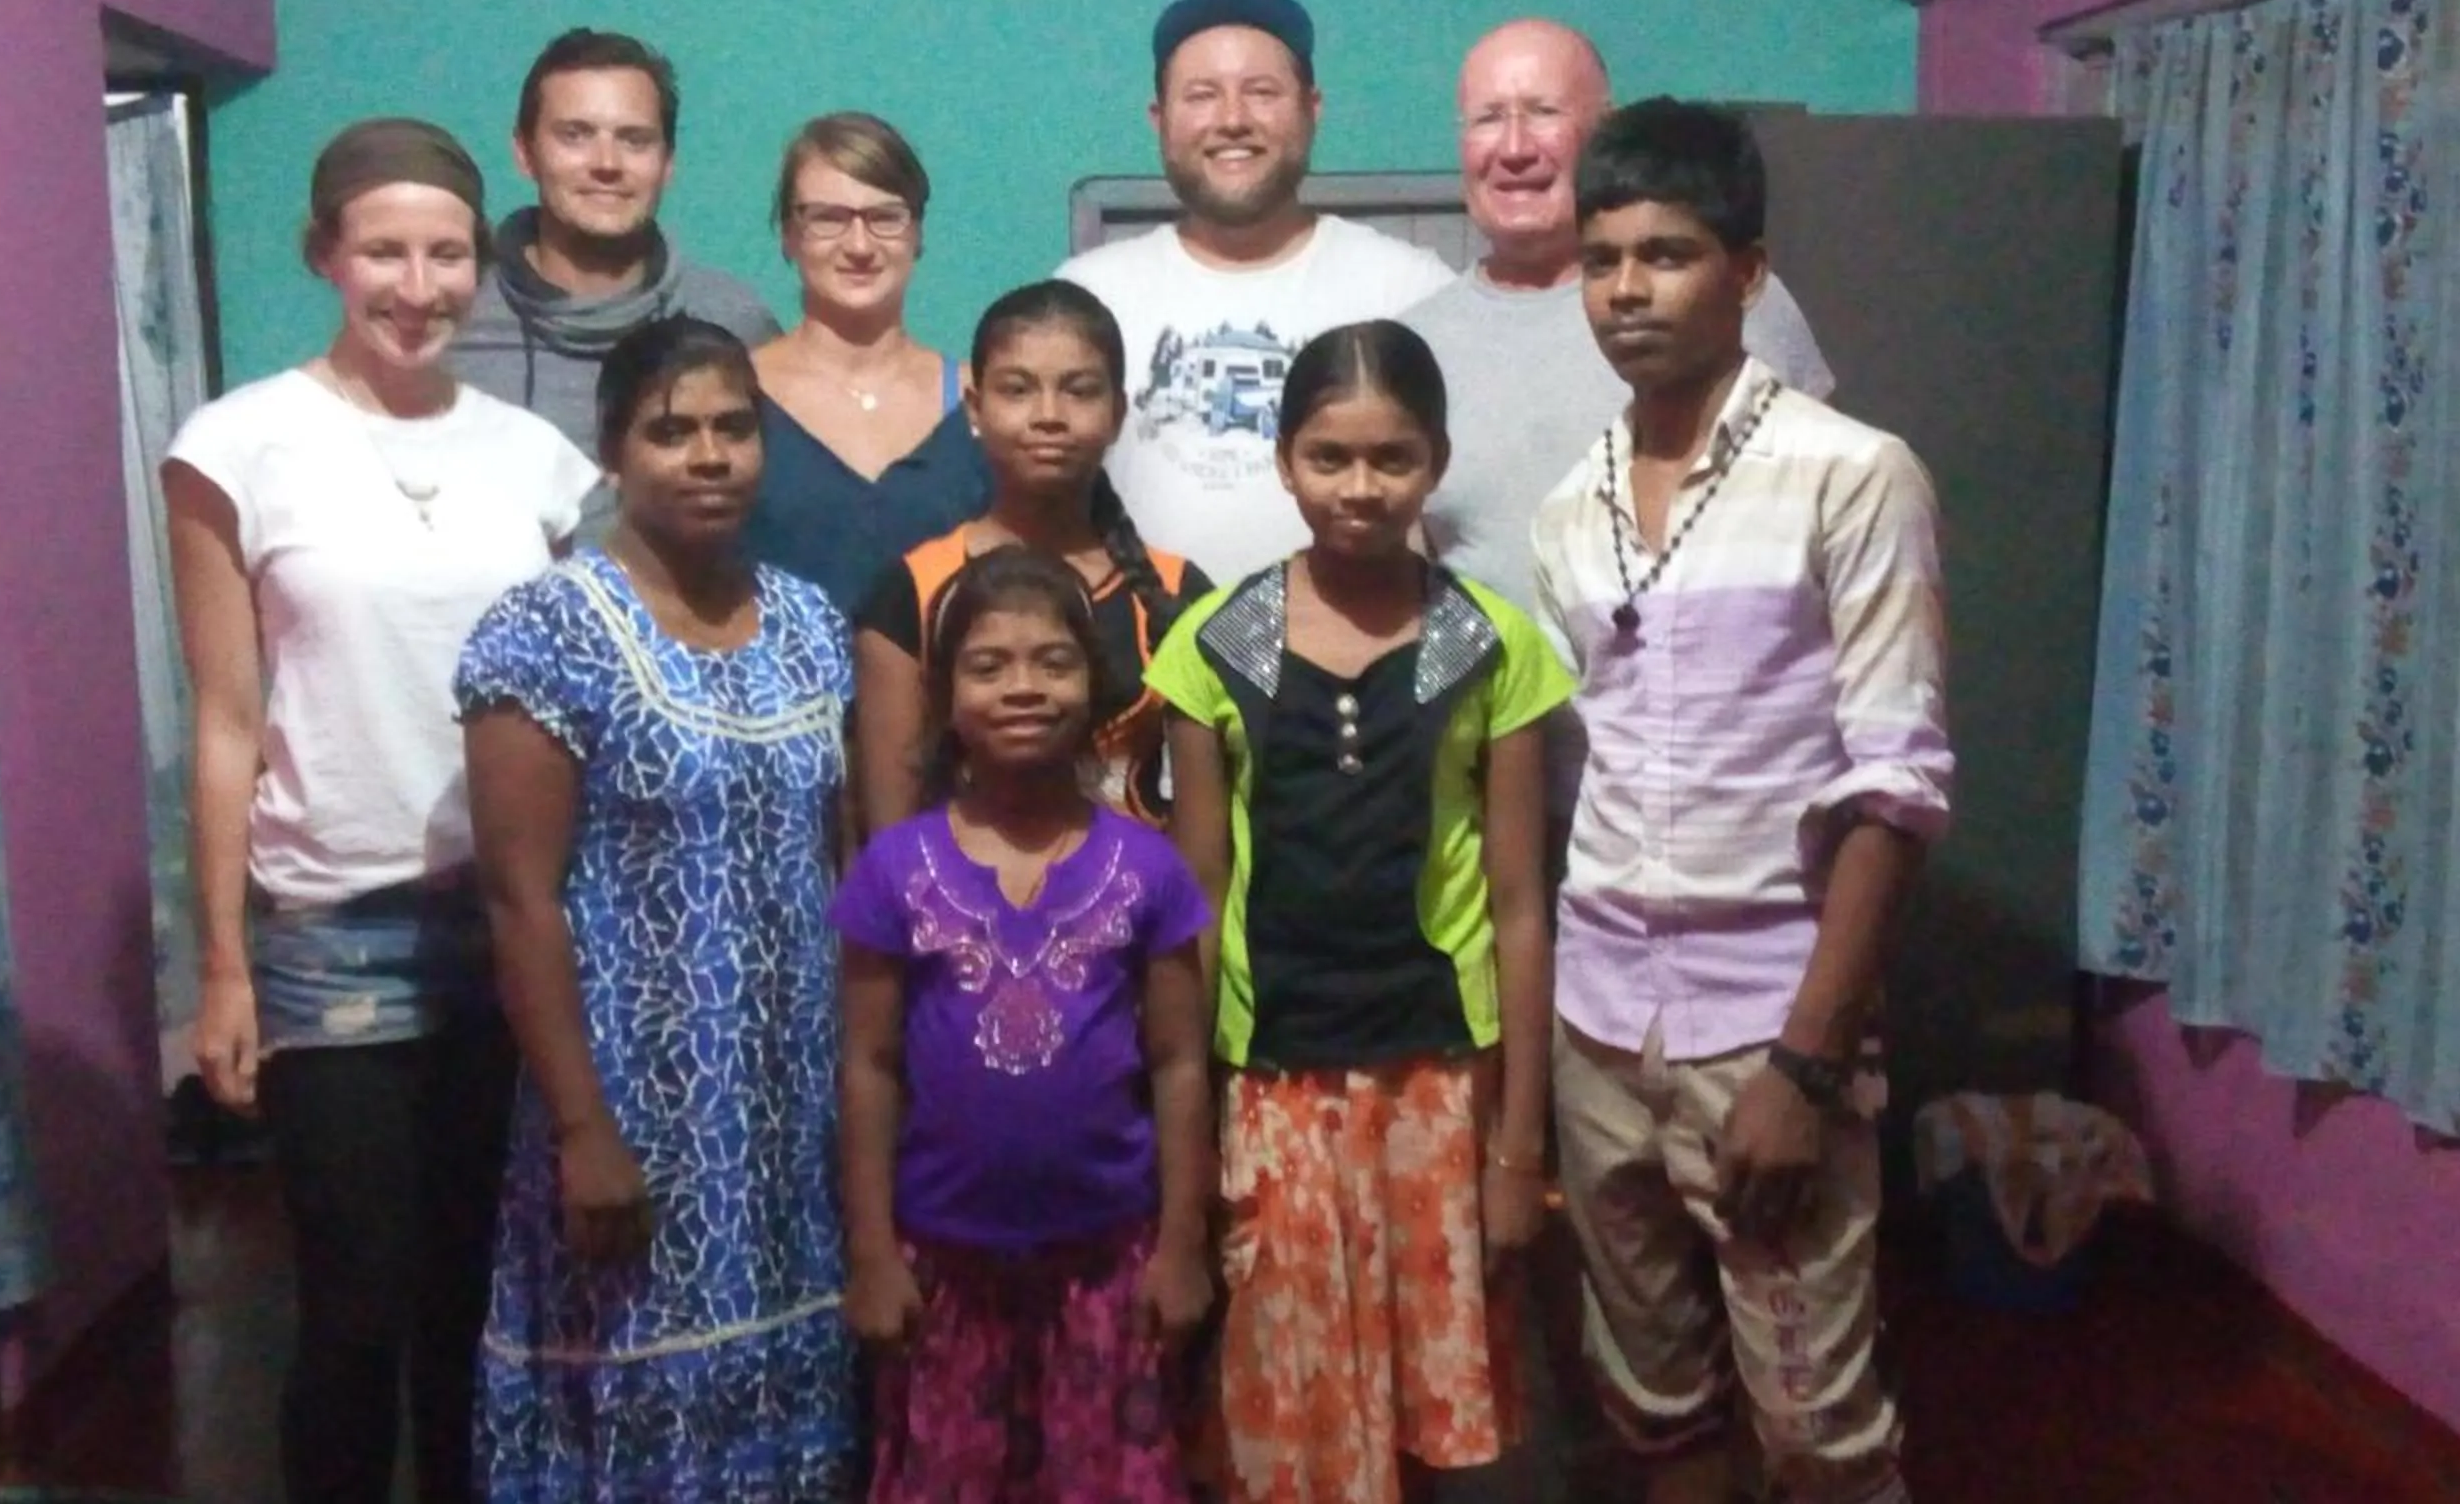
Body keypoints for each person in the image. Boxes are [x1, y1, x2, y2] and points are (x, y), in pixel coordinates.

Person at [163, 118, 598, 1504]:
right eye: (385, 252)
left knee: (483, 1307)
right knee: (354, 1308)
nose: (419, 285)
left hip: (518, 927)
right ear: (326, 257)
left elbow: (579, 708)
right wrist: (223, 966)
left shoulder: (536, 460)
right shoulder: (237, 447)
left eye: (448, 253)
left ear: (485, 262)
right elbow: (226, 722)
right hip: (330, 935)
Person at [1530, 100, 1948, 1504]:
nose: (1628, 290)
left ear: (1750, 272)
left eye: (1668, 254)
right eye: (1602, 260)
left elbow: (1895, 789)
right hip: (1597, 1023)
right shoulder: (1566, 511)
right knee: (1651, 1402)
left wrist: (1806, 1068)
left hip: (1768, 1029)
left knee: (1818, 1429)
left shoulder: (1851, 474)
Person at [1146, 321, 1571, 1504]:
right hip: (1271, 1081)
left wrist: (1520, 1146)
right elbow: (1196, 901)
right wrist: (1185, 1120)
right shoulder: (1213, 648)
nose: (1360, 487)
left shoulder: (1491, 645)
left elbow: (1524, 904)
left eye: (1393, 458)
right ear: (1284, 462)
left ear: (1436, 462)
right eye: (1330, 457)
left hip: (1439, 1084)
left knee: (1419, 1417)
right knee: (1289, 1411)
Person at [455, 318, 858, 1499]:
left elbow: (839, 866)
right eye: (670, 430)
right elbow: (519, 900)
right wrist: (583, 1129)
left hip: (791, 1114)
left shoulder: (808, 622)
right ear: (615, 449)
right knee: (631, 1396)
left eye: (734, 428)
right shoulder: (546, 632)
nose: (708, 455)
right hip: (630, 1104)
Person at [835, 545, 1216, 1502]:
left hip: (1110, 1270)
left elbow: (1177, 1064)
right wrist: (874, 1255)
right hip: (942, 1268)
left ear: (1095, 687)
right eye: (989, 664)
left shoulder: (1145, 868)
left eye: (1054, 662)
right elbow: (870, 1068)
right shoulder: (896, 870)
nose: (1024, 688)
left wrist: (1181, 1247)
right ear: (946, 693)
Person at [1403, 18, 1838, 607]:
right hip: (1499, 698)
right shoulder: (1416, 345)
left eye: (1543, 112)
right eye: (1487, 118)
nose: (1513, 148)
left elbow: (1826, 511)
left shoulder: (1724, 303)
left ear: (1605, 130)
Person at [1060, 0, 1455, 585]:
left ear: (1312, 108)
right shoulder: (1088, 298)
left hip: (1356, 665)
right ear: (1159, 120)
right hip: (1143, 667)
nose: (1232, 120)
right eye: (1201, 96)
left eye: (1263, 92)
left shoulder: (1411, 289)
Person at [852, 279, 1213, 836]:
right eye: (1018, 390)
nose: (1049, 415)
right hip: (966, 918)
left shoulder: (1173, 592)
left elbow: (1208, 841)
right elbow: (888, 841)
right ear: (975, 406)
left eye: (1080, 390)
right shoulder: (913, 593)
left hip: (1141, 916)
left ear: (1118, 412)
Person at [457, 27, 782, 540]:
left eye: (634, 139)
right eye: (575, 135)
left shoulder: (732, 321)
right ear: (524, 153)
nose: (606, 164)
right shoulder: (457, 322)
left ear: (667, 163)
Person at [748, 111, 994, 616]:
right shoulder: (736, 397)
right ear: (789, 236)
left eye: (885, 217)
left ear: (918, 234)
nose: (859, 246)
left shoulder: (980, 401)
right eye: (828, 219)